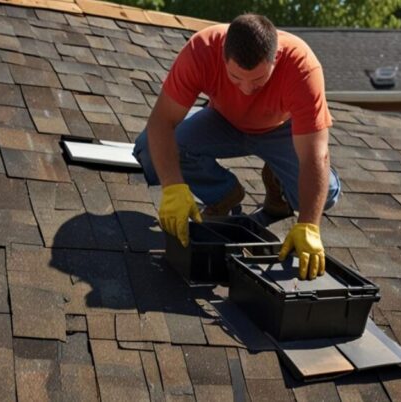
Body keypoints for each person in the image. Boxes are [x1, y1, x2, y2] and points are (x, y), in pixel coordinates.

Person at [133, 13, 340, 280]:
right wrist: (173, 186)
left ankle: (277, 187)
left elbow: (316, 153)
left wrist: (309, 225)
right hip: (223, 120)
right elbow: (161, 122)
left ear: (275, 59)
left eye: (258, 80)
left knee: (325, 195)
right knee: (148, 150)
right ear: (222, 56)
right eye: (235, 77)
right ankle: (223, 193)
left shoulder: (302, 67)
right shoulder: (202, 50)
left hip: (281, 131)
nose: (246, 89)